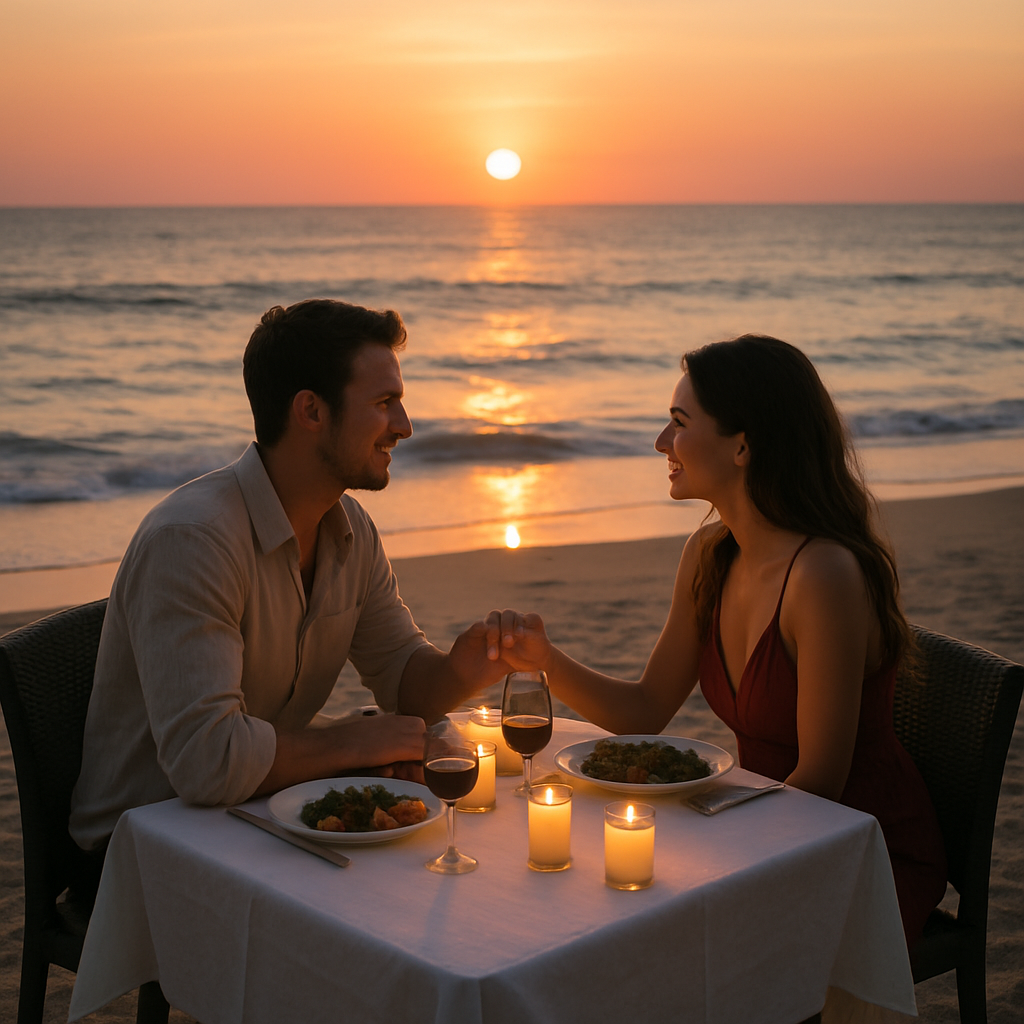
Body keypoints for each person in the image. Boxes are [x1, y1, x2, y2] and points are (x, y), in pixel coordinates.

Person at [487, 334, 947, 948]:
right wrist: (547, 662)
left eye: (679, 423)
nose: (660, 443)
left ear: (743, 446)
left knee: (650, 928)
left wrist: (707, 834)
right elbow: (645, 710)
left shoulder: (824, 575)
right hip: (760, 831)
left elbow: (822, 780)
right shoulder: (708, 555)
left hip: (858, 852)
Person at [70, 298, 510, 852]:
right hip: (146, 850)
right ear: (311, 411)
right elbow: (208, 763)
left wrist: (460, 669)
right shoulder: (192, 541)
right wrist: (353, 741)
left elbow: (404, 681)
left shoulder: (350, 529)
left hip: (263, 816)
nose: (404, 425)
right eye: (384, 402)